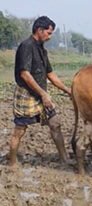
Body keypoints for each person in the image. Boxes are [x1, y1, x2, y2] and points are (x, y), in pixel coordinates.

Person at [7, 16, 71, 169]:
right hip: (27, 94)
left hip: (42, 94)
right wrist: (43, 94)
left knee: (55, 123)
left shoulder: (42, 49)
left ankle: (64, 159)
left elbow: (50, 74)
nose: (50, 36)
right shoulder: (26, 46)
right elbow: (24, 74)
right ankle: (12, 163)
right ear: (39, 30)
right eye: (49, 33)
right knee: (19, 130)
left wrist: (68, 90)